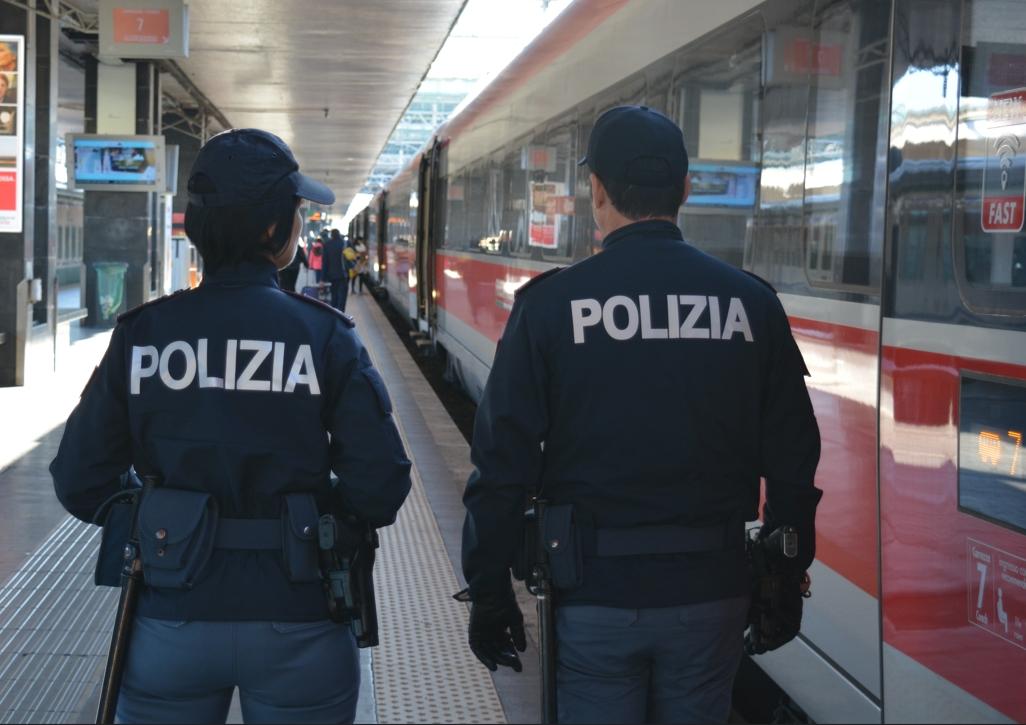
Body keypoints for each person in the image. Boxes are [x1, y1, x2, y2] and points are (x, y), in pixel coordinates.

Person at [460, 106, 822, 724]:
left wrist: (490, 588)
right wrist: (786, 575)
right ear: (684, 189)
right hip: (711, 594)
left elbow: (502, 463)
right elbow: (793, 456)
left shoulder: (552, 308)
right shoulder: (750, 304)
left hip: (594, 597)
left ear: (596, 190)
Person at [50, 128, 412, 724]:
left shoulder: (145, 334)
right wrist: (314, 522)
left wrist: (161, 517)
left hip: (168, 616)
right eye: (295, 210)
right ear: (274, 231)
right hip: (300, 618)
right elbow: (381, 484)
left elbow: (80, 477)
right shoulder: (322, 336)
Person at [323, 228, 349, 312]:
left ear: (331, 235)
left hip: (332, 275)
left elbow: (325, 262)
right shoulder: (344, 243)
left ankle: (334, 312)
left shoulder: (327, 244)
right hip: (344, 274)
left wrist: (322, 278)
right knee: (342, 296)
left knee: (334, 295)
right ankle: (342, 313)